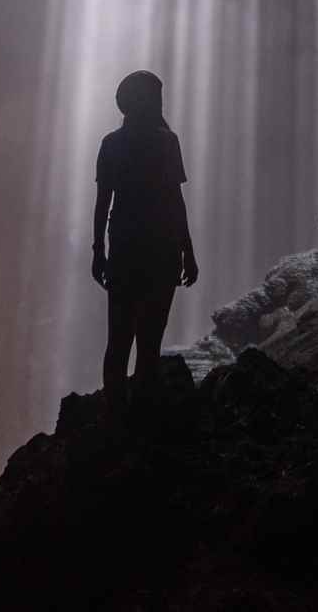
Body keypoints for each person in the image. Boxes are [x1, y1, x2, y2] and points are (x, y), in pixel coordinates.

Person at [91, 69, 199, 404]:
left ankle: (115, 419)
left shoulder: (111, 144)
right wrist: (188, 252)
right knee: (149, 342)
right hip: (161, 250)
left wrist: (98, 251)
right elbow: (174, 201)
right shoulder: (167, 142)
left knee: (118, 340)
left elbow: (103, 202)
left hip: (124, 249)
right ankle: (142, 418)